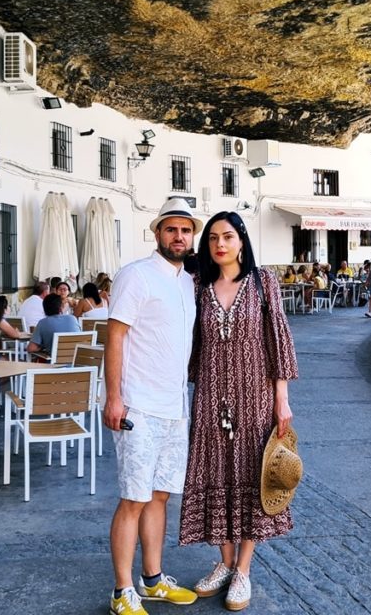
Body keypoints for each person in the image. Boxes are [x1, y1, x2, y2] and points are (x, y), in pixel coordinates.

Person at [180, 211, 298, 611]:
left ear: (242, 241)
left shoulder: (263, 282)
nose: (220, 244)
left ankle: (243, 569)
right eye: (212, 238)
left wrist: (281, 398)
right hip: (211, 396)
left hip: (256, 397)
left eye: (228, 236)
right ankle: (225, 562)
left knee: (252, 477)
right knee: (214, 474)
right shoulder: (198, 286)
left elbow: (278, 340)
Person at [103, 198, 203, 615]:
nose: (178, 236)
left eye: (185, 230)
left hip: (175, 407)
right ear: (157, 233)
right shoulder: (136, 275)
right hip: (138, 407)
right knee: (133, 498)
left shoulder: (186, 281)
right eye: (171, 229)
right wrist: (113, 397)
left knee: (160, 497)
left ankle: (153, 579)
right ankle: (122, 592)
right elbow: (115, 337)